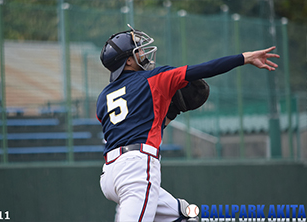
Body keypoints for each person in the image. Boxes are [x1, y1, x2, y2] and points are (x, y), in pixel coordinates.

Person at [96, 25, 279, 222]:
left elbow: (135, 128)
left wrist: (170, 112)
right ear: (129, 61)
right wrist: (245, 57)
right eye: (137, 50)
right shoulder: (154, 79)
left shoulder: (103, 98)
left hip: (110, 176)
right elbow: (205, 69)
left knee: (184, 216)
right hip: (136, 171)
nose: (142, 52)